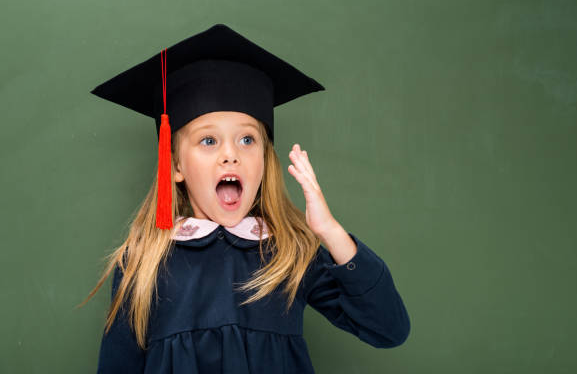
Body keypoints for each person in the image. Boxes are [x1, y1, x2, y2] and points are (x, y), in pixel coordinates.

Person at [81, 23, 410, 373]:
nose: (230, 155)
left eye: (247, 140)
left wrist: (329, 231)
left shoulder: (289, 253)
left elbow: (389, 329)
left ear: (265, 162)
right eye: (209, 141)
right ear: (175, 165)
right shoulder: (143, 262)